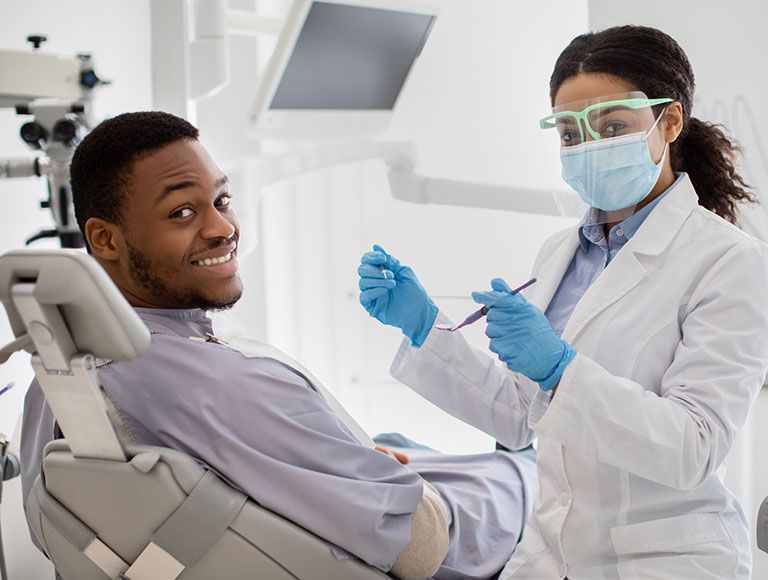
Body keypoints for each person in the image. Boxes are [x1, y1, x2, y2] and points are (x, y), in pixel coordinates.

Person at [19, 111, 538, 580]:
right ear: (105, 240)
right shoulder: (223, 384)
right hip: (481, 527)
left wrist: (358, 461)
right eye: (182, 212)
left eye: (221, 201)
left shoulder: (61, 380)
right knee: (531, 470)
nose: (223, 229)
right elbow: (421, 548)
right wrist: (397, 482)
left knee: (398, 439)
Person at [358, 25, 768, 579]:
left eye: (613, 126)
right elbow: (520, 419)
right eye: (571, 135)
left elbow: (693, 448)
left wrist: (560, 369)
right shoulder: (560, 252)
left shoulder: (729, 261)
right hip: (550, 555)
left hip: (666, 559)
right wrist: (424, 327)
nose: (590, 149)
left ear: (669, 122)